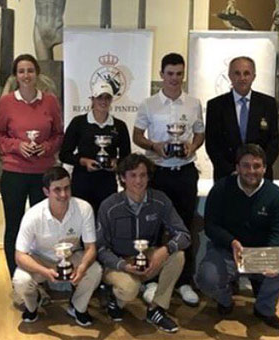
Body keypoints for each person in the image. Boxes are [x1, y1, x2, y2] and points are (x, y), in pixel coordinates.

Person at [195, 144, 279, 330]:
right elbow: (210, 226)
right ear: (237, 167)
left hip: (261, 254)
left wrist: (274, 256)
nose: (252, 171)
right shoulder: (221, 189)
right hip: (227, 251)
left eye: (257, 166)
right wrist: (232, 242)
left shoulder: (276, 195)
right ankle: (226, 301)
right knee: (205, 277)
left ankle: (264, 308)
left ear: (265, 168)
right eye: (246, 165)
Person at [133, 53, 204, 306]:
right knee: (154, 227)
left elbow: (199, 133)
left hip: (184, 172)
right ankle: (151, 280)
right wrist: (154, 145)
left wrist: (192, 147)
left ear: (183, 75)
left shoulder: (193, 103)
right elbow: (137, 136)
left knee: (185, 227)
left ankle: (184, 282)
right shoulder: (148, 104)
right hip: (158, 172)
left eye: (179, 74)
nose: (174, 79)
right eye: (170, 74)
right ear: (161, 74)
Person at [96, 153, 190, 333]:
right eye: (132, 175)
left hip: (148, 258)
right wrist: (122, 265)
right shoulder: (109, 206)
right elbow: (100, 249)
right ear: (122, 178)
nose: (138, 181)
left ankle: (156, 309)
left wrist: (165, 249)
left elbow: (184, 235)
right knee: (130, 290)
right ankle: (114, 298)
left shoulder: (160, 200)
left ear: (148, 176)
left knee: (178, 255)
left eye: (143, 175)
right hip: (118, 263)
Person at [0, 54, 64, 279]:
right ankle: (16, 276)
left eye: (30, 70)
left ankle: (41, 275)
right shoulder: (6, 103)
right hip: (14, 173)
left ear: (37, 74)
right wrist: (17, 146)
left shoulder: (50, 101)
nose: (26, 75)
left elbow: (58, 134)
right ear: (15, 76)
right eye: (21, 71)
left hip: (43, 175)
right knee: (14, 225)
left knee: (42, 227)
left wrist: (47, 147)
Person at [12, 167, 102, 326]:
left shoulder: (84, 208)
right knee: (20, 280)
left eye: (67, 188)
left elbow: (90, 248)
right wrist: (44, 271)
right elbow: (20, 256)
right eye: (57, 190)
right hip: (41, 259)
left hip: (71, 257)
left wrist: (82, 267)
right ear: (46, 192)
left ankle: (77, 307)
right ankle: (33, 305)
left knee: (95, 270)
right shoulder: (33, 215)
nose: (63, 194)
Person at [59, 81, 131, 214]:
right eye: (100, 97)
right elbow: (64, 154)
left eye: (107, 97)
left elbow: (127, 157)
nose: (103, 101)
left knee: (105, 221)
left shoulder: (120, 126)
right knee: (82, 223)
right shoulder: (78, 123)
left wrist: (117, 163)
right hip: (82, 182)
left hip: (107, 183)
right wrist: (83, 161)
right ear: (92, 99)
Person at [205, 56, 279, 181]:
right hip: (227, 176)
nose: (242, 78)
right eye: (237, 73)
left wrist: (257, 168)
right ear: (229, 76)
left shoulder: (268, 104)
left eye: (246, 73)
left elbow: (273, 142)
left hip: (260, 176)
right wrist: (233, 170)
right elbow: (212, 144)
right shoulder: (216, 105)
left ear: (253, 76)